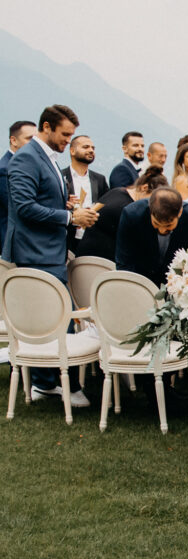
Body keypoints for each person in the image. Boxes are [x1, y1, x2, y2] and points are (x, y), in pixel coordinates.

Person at [3, 105, 96, 406]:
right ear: (47, 126)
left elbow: (41, 197)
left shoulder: (47, 158)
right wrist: (70, 218)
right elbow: (24, 207)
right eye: (65, 134)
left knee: (58, 317)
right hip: (35, 252)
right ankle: (46, 383)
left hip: (49, 250)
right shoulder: (27, 158)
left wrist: (64, 202)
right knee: (52, 317)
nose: (68, 141)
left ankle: (49, 380)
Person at [115, 187, 188, 286]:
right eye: (156, 223)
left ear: (180, 212)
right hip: (139, 282)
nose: (162, 230)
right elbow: (124, 262)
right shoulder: (131, 215)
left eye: (168, 225)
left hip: (176, 285)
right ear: (150, 210)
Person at [76, 166, 168, 261]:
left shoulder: (116, 192)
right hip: (102, 265)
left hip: (82, 261)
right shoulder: (130, 210)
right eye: (152, 200)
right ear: (144, 188)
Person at [61, 135, 109, 251]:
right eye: (86, 147)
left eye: (93, 148)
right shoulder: (61, 176)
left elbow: (106, 204)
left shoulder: (99, 179)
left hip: (91, 240)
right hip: (66, 240)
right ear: (72, 151)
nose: (91, 150)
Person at [1, 120, 37, 249]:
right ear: (14, 141)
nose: (34, 143)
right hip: (10, 242)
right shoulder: (5, 169)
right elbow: (16, 208)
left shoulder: (26, 167)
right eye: (29, 139)